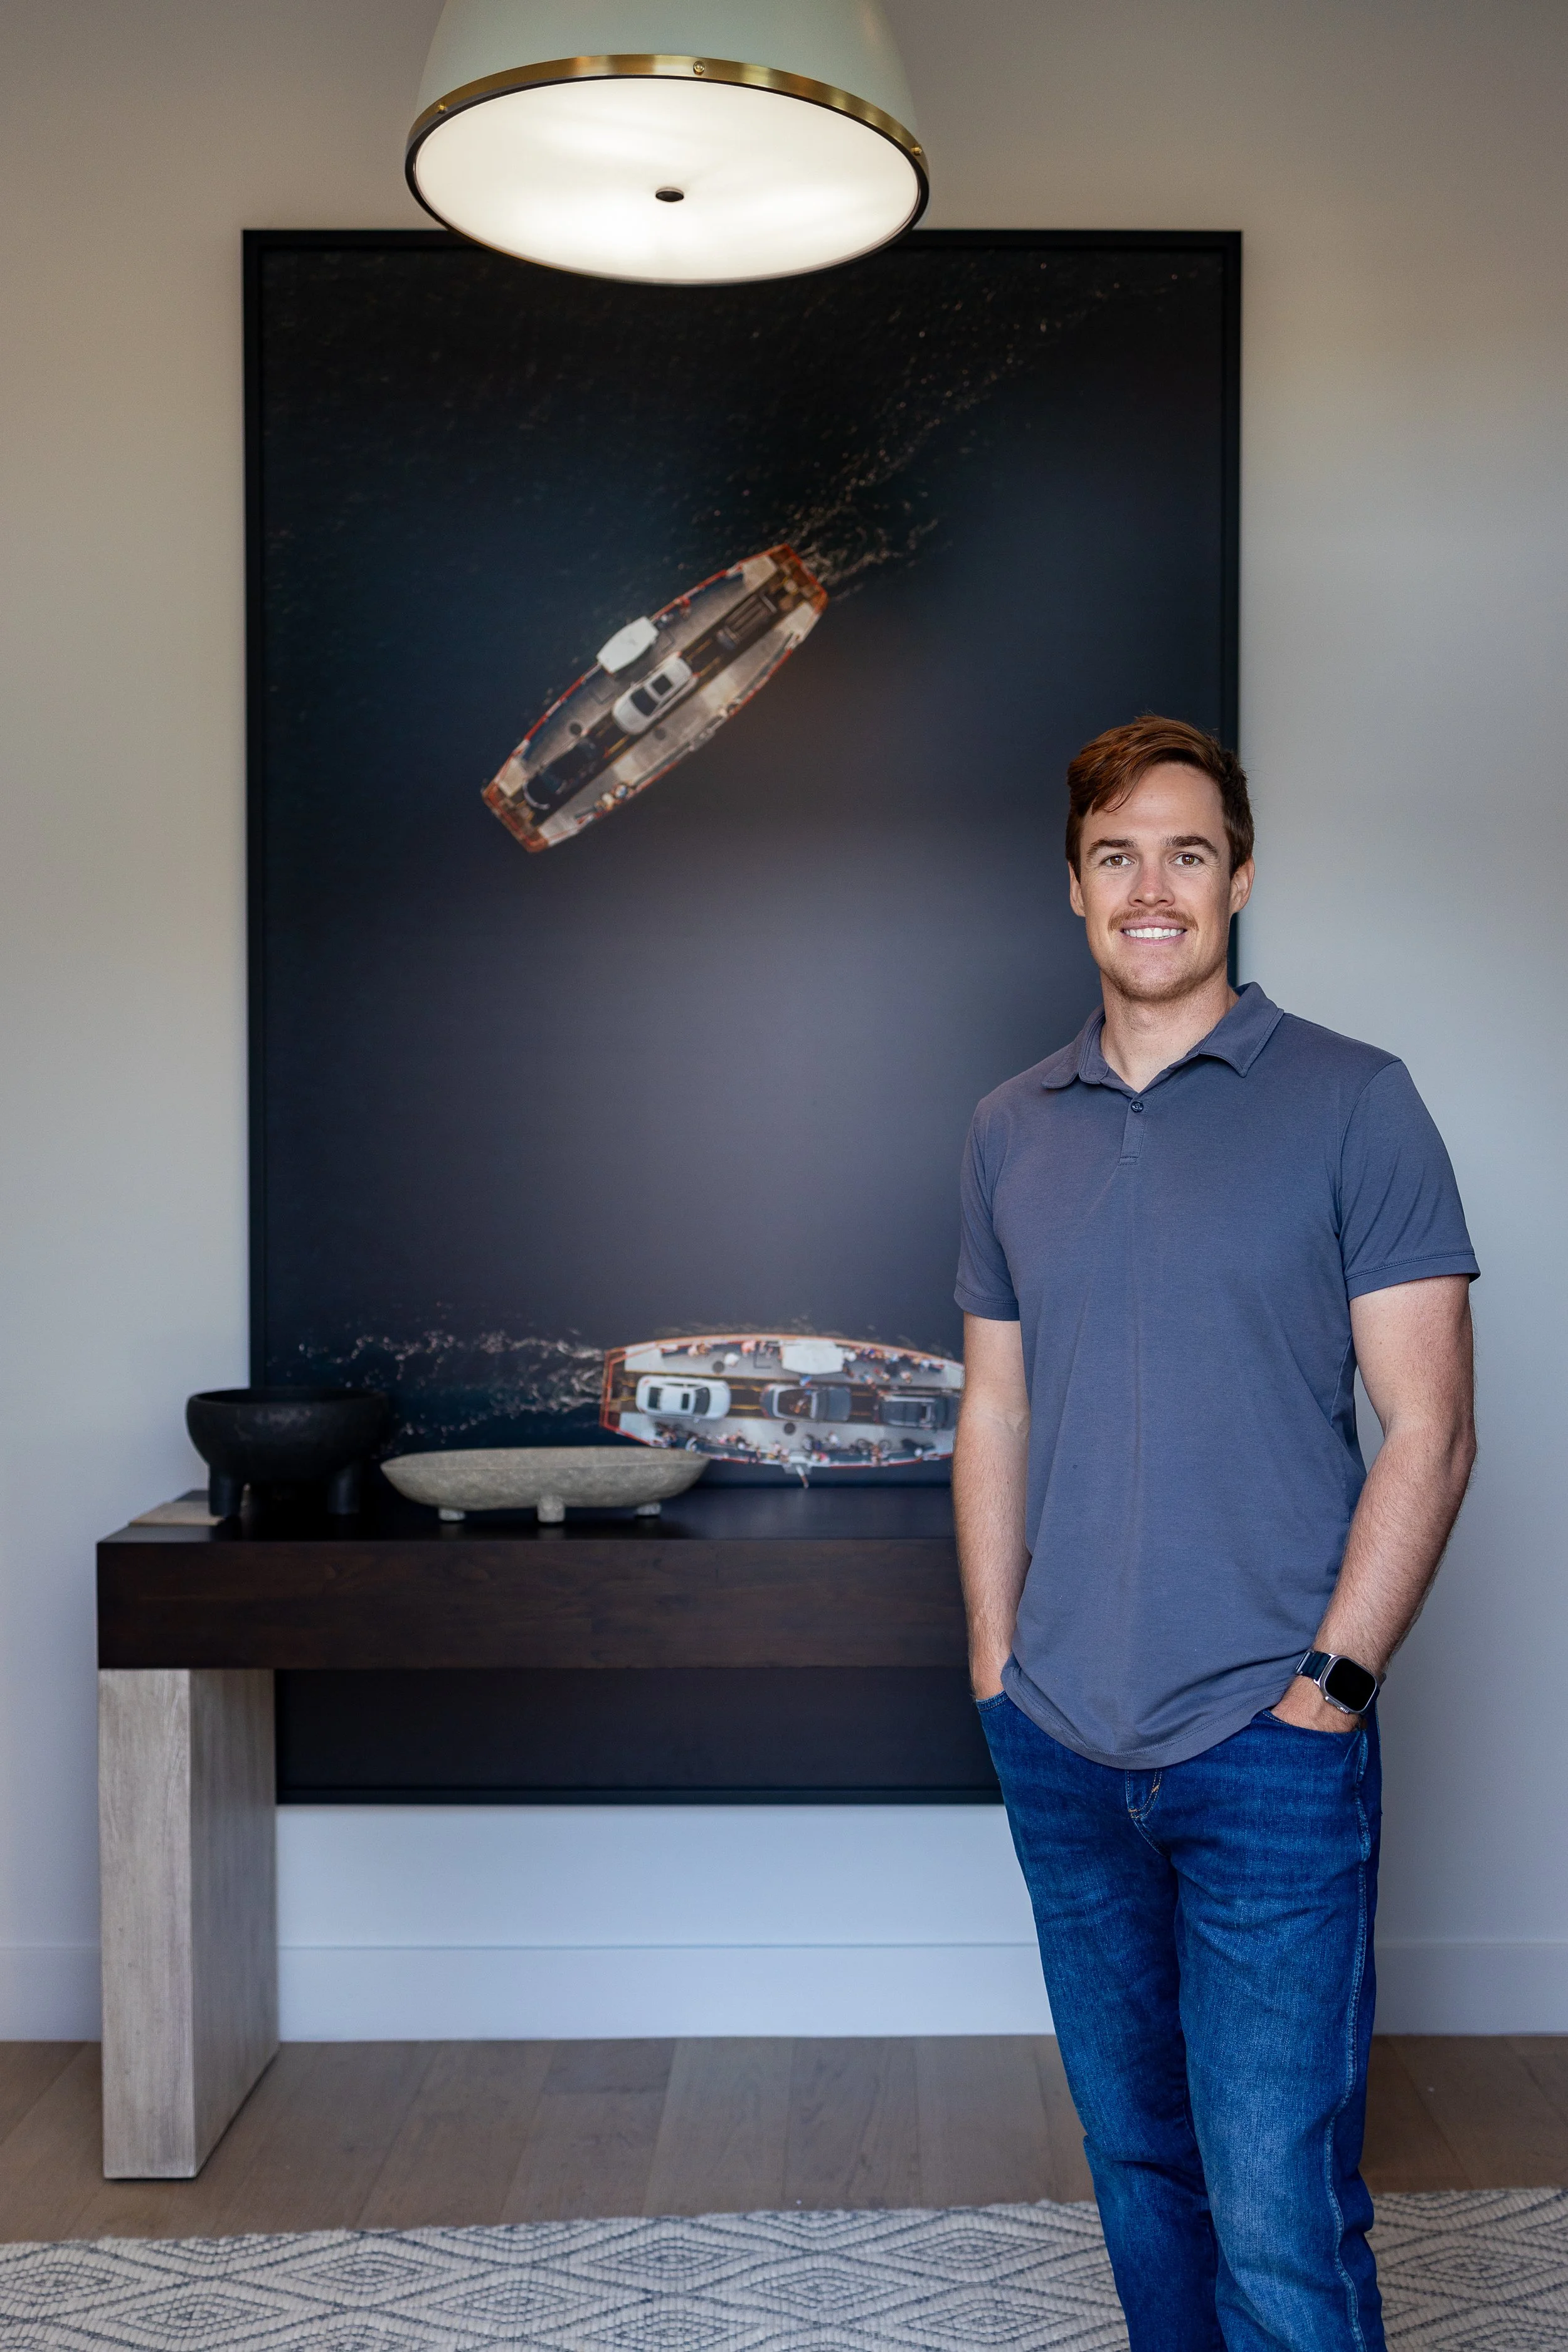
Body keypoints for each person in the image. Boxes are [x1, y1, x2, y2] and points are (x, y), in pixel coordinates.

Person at [953, 716, 1476, 2352]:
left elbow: (1432, 1428)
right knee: (1137, 2168)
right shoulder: (1006, 1128)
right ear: (1073, 890)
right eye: (1117, 854)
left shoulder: (1354, 1103)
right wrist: (992, 1661)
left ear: (1238, 878)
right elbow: (993, 1408)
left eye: (1187, 851)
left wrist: (1328, 1686)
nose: (1152, 885)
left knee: (1276, 2208)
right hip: (1058, 1737)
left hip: (1269, 1741)